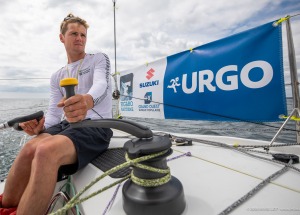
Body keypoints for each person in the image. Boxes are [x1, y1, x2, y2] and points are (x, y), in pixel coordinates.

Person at [0, 13, 113, 215]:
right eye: (74, 33)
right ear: (62, 37)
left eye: (83, 35)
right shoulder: (57, 76)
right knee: (29, 148)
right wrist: (40, 128)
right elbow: (53, 114)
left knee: (45, 151)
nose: (80, 38)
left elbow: (101, 85)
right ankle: (5, 206)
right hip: (66, 126)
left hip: (96, 125)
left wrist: (87, 100)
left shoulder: (98, 59)